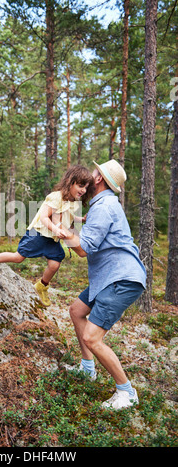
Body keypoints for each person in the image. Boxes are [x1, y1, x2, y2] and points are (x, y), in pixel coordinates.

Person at [63, 159, 146, 410]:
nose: (89, 177)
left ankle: (126, 392)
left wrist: (65, 234)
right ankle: (88, 368)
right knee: (77, 310)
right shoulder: (103, 204)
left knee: (92, 337)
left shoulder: (104, 206)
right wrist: (72, 222)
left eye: (94, 173)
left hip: (120, 279)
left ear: (98, 179)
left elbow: (83, 250)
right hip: (108, 278)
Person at [0, 165, 93, 307]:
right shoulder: (56, 197)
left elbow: (70, 216)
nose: (83, 190)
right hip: (38, 234)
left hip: (52, 239)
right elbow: (44, 217)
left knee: (55, 264)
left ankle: (41, 286)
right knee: (18, 257)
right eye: (81, 186)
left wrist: (81, 219)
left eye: (86, 187)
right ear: (71, 181)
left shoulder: (73, 201)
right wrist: (56, 229)